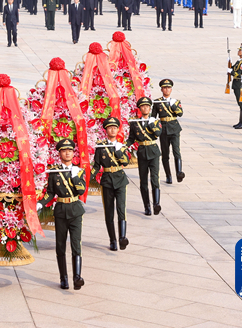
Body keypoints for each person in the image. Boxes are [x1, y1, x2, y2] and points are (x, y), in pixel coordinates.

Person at [36, 138, 87, 291]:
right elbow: (50, 193)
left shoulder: (78, 170)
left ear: (73, 153)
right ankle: (63, 277)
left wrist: (75, 176)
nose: (67, 153)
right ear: (59, 153)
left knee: (76, 244)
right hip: (60, 210)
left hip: (75, 210)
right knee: (60, 246)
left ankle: (77, 276)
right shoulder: (54, 172)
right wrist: (41, 203)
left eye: (70, 150)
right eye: (64, 151)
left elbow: (81, 190)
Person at [92, 117, 130, 251]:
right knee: (109, 212)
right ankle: (112, 240)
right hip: (107, 180)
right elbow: (96, 165)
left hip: (120, 179)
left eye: (115, 127)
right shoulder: (101, 146)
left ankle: (122, 237)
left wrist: (119, 150)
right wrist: (87, 176)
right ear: (106, 130)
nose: (112, 129)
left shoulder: (122, 145)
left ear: (118, 129)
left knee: (121, 209)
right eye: (110, 128)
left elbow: (125, 162)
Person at [127, 96, 161, 216]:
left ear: (150, 108)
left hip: (153, 151)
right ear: (140, 108)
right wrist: (123, 146)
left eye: (147, 106)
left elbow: (157, 134)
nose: (145, 108)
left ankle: (156, 203)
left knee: (155, 178)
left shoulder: (155, 121)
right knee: (143, 181)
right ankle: (147, 206)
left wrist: (151, 124)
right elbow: (131, 138)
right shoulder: (135, 123)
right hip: (142, 152)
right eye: (143, 106)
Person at [154, 79, 184, 184]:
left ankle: (179, 172)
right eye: (165, 88)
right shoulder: (157, 102)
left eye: (169, 88)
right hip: (164, 130)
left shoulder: (176, 102)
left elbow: (180, 113)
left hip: (174, 128)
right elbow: (153, 118)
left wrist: (173, 105)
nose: (167, 90)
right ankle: (168, 176)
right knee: (165, 154)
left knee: (176, 151)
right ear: (162, 89)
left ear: (171, 89)